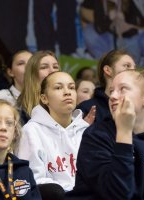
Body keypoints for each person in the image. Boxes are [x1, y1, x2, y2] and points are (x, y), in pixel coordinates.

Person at [66, 69, 144, 200]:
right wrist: (124, 131)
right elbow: (117, 194)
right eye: (111, 90)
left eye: (123, 89)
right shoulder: (96, 135)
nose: (112, 96)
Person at [17, 71, 90, 200]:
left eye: (71, 87)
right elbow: (32, 180)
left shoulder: (86, 131)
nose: (67, 92)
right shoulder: (31, 131)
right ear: (44, 98)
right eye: (58, 87)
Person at [80, 0, 144, 69]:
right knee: (91, 34)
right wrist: (109, 19)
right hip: (109, 35)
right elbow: (96, 23)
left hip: (129, 35)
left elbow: (141, 20)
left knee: (131, 59)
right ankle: (105, 68)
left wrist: (128, 22)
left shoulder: (128, 3)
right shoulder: (101, 3)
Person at [77, 49, 136, 123]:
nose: (133, 71)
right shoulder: (86, 108)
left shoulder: (137, 106)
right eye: (127, 66)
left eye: (134, 68)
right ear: (108, 70)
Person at [17, 50, 60, 124]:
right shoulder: (21, 107)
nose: (52, 70)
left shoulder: (66, 98)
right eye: (44, 67)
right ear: (32, 74)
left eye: (55, 67)